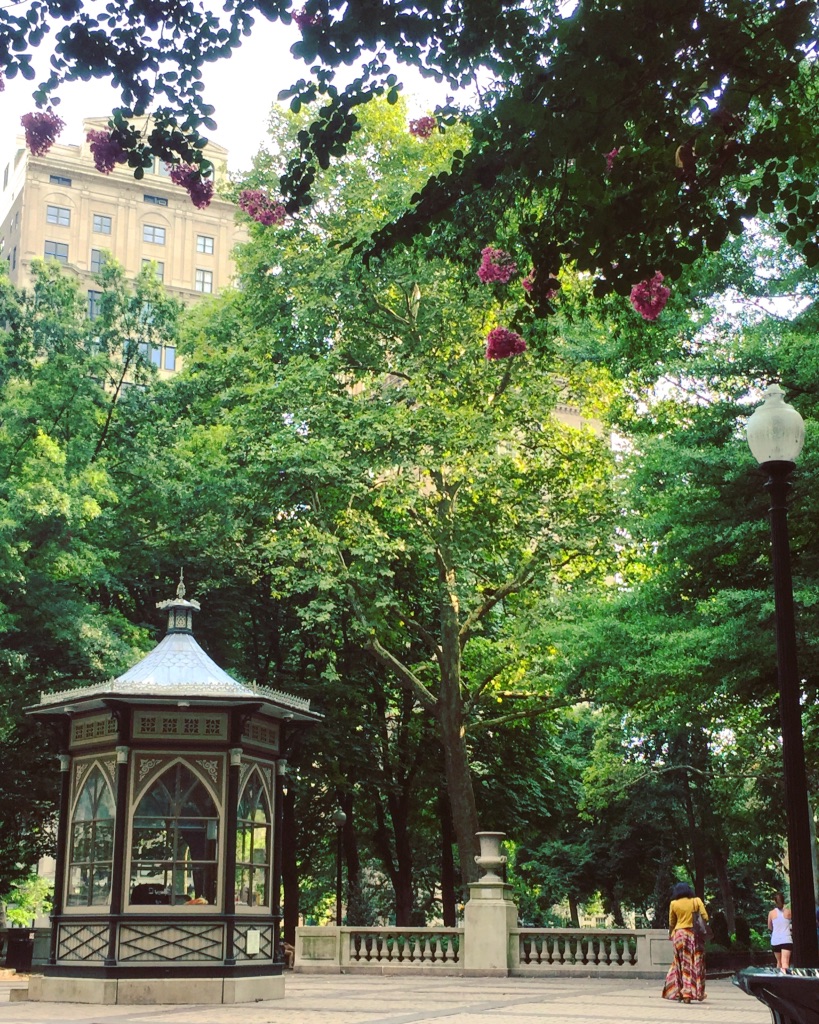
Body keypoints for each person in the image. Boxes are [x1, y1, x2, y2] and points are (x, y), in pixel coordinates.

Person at [662, 881, 709, 1004]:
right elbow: (705, 917)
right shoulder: (696, 901)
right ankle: (695, 992)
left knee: (681, 963)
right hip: (694, 935)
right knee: (696, 963)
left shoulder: (674, 904)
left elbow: (672, 922)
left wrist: (671, 933)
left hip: (679, 935)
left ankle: (680, 991)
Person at [768, 891, 792, 970]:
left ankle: (778, 981)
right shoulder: (789, 912)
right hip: (786, 939)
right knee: (785, 962)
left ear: (775, 901)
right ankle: (786, 980)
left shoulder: (771, 913)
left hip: (775, 940)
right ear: (783, 901)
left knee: (779, 962)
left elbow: (770, 927)